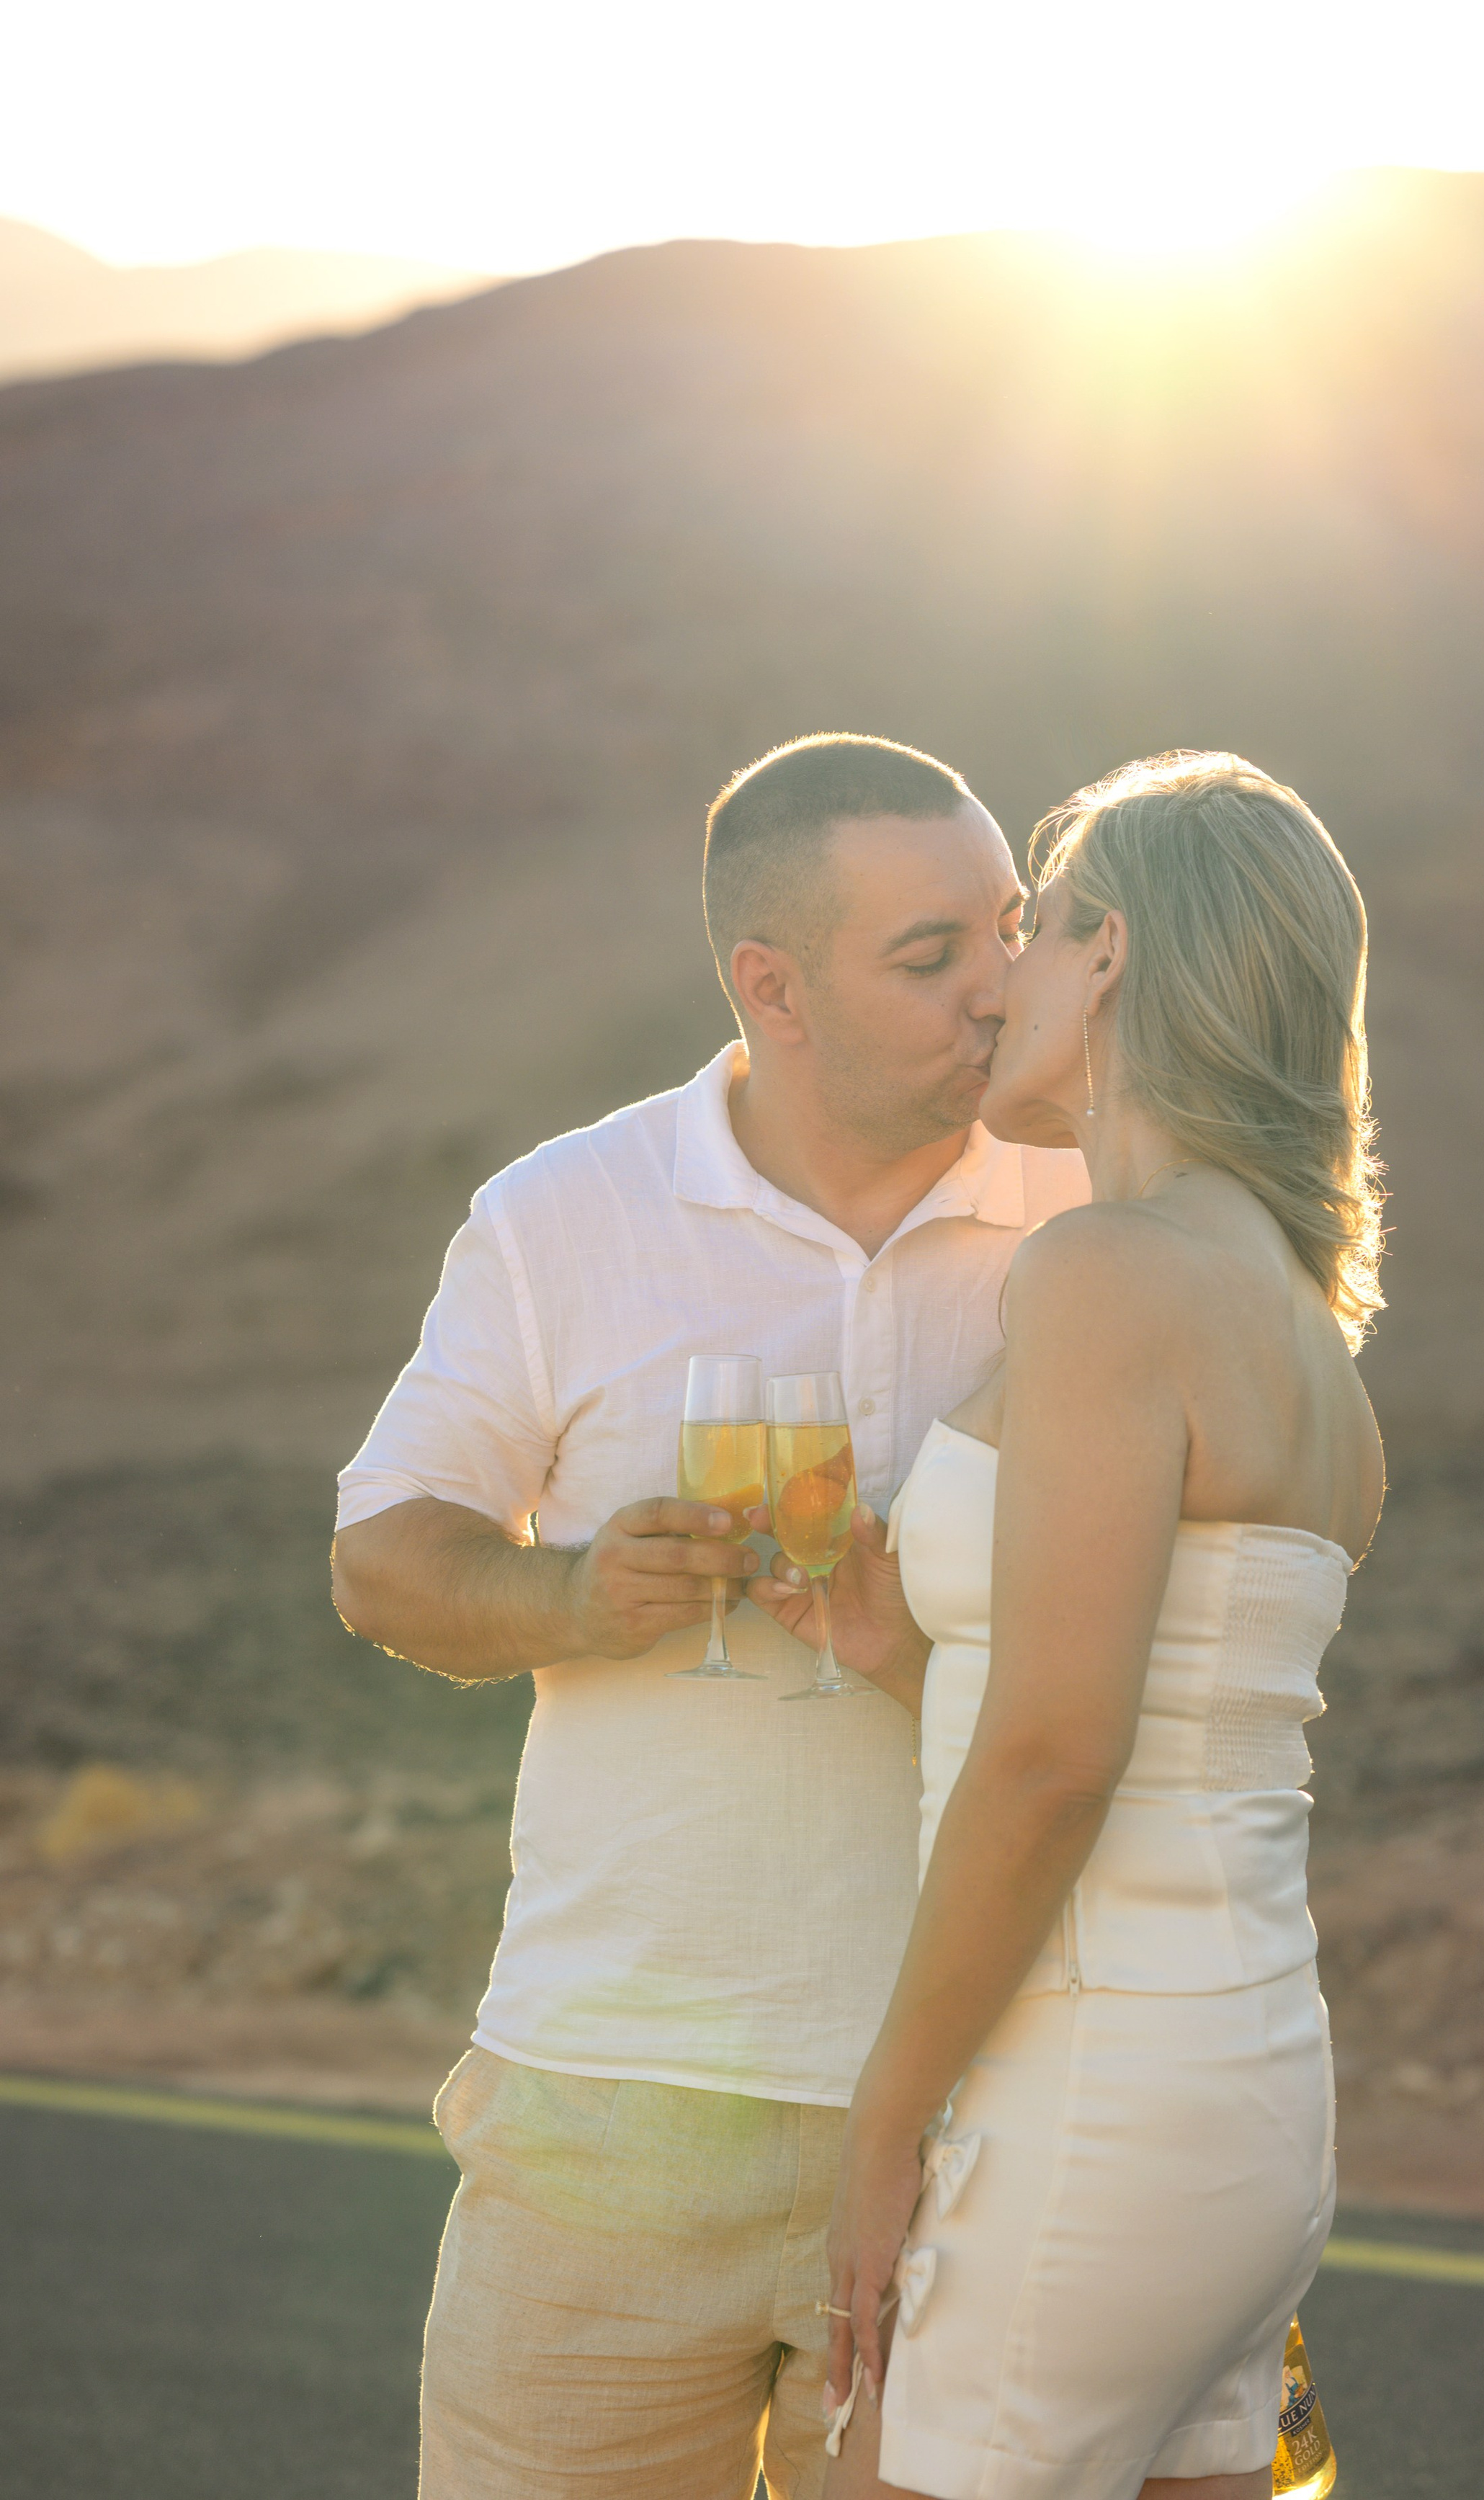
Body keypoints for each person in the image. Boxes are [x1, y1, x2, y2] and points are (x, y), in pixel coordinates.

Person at [329, 733, 1089, 2500]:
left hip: (990, 2111)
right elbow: (381, 1559)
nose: (996, 991)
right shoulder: (561, 1217)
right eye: (928, 958)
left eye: (1006, 930)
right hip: (608, 2110)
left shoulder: (1089, 1219)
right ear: (773, 985)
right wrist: (578, 1593)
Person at [752, 751, 1385, 2500]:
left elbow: (1053, 1760)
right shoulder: (1294, 1328)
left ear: (1108, 960)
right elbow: (1170, 1713)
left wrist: (883, 2134)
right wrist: (905, 1653)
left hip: (1089, 2092)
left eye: (1028, 931)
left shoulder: (1106, 1274)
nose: (995, 982)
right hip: (1243, 2090)